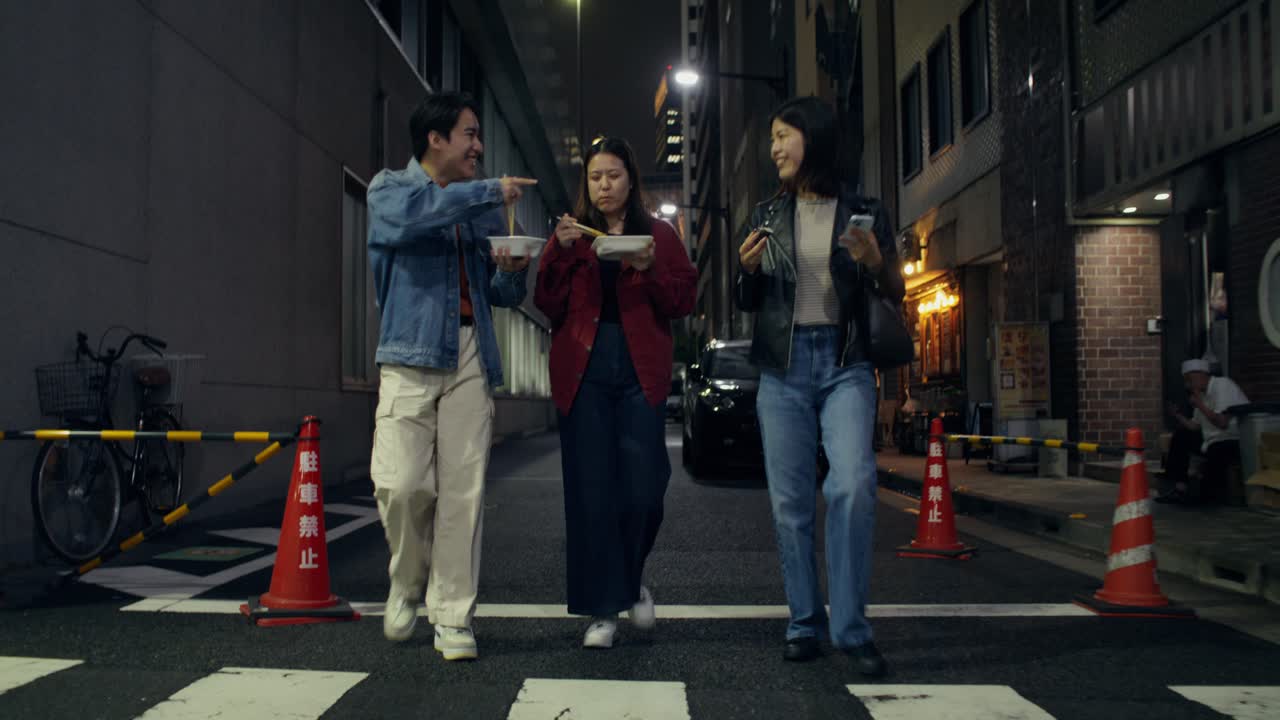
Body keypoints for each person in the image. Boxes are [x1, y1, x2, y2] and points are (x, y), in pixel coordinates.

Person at [734, 97, 904, 677]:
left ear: (815, 139)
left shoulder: (864, 210)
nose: (775, 148)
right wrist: (746, 271)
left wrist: (878, 260)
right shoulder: (765, 214)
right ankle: (804, 620)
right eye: (773, 138)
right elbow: (746, 301)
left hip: (845, 361)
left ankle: (852, 629)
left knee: (853, 485)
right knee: (790, 504)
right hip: (782, 370)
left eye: (785, 136)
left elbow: (896, 290)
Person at [366, 91, 535, 660]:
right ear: (436, 139)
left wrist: (513, 272)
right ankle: (407, 581)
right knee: (401, 484)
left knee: (463, 492)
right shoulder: (389, 189)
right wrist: (490, 190)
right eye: (469, 133)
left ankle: (453, 615)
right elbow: (416, 218)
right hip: (408, 355)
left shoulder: (481, 208)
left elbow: (499, 293)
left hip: (470, 352)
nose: (479, 146)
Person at [534, 136, 696, 648]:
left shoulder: (660, 235)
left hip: (640, 370)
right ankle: (603, 608)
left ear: (632, 180)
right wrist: (559, 253)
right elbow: (546, 302)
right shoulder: (571, 235)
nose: (604, 186)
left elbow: (682, 299)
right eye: (595, 178)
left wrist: (648, 271)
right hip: (582, 370)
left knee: (645, 488)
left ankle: (629, 579)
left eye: (614, 176)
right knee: (591, 494)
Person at [1157, 358, 1249, 504]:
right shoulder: (1202, 393)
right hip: (1211, 440)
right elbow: (1195, 426)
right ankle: (1180, 488)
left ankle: (1209, 496)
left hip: (1232, 439)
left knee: (1216, 452)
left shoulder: (1223, 385)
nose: (1188, 385)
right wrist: (1177, 415)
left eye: (1189, 380)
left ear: (1201, 375)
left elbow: (1222, 422)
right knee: (1181, 436)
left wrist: (1199, 404)